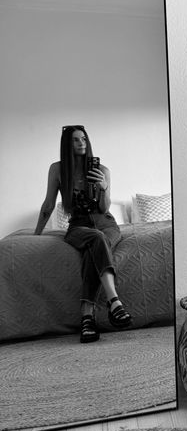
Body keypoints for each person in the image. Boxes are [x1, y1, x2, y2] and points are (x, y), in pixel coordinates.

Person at [35, 125, 132, 343]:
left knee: (94, 248)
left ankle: (87, 318)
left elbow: (105, 209)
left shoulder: (103, 170)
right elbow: (49, 204)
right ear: (67, 144)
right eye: (76, 140)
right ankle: (113, 301)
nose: (81, 143)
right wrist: (36, 233)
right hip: (78, 226)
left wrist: (104, 187)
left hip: (105, 224)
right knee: (96, 240)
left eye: (84, 139)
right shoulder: (58, 169)